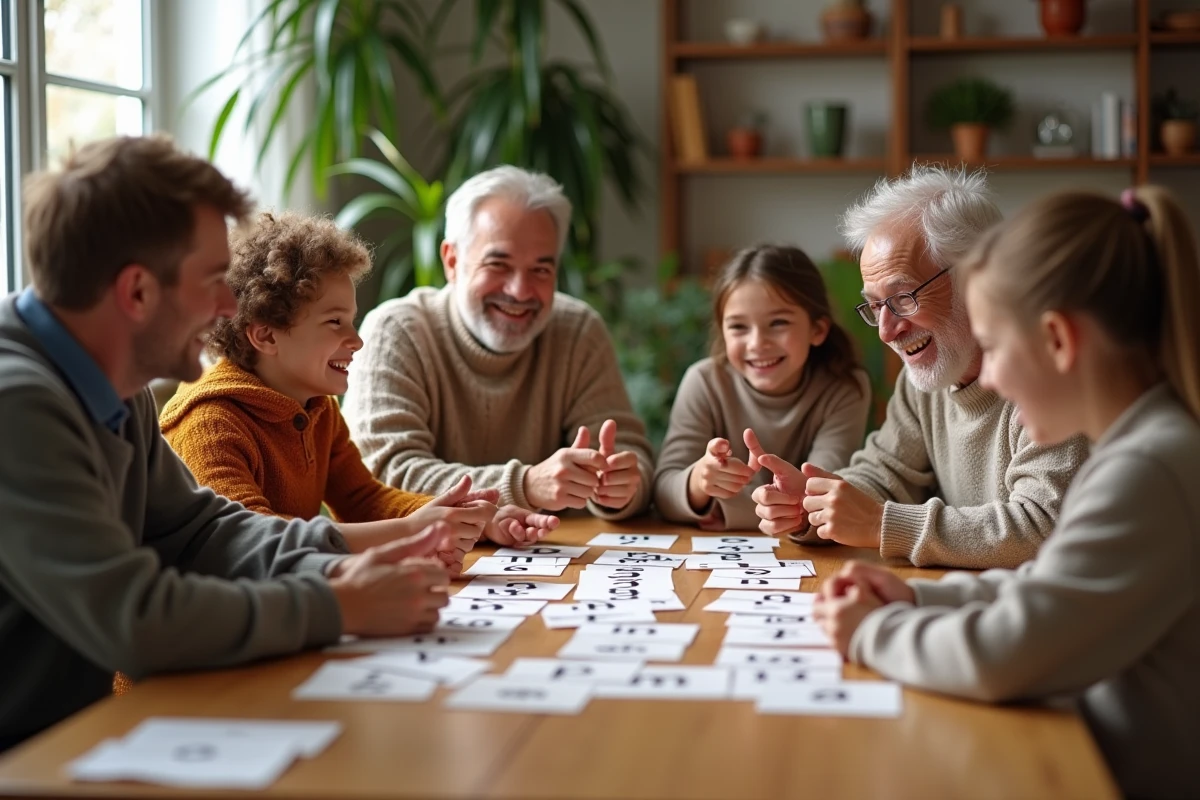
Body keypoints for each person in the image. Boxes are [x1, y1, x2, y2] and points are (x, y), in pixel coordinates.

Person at [0, 135, 449, 750]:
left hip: (69, 743)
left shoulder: (112, 379)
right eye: (214, 280)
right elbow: (134, 617)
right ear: (136, 293)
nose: (230, 305)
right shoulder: (17, 404)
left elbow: (200, 531)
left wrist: (343, 564)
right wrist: (336, 604)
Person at [813, 186, 1200, 800]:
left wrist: (870, 633)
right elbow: (1048, 589)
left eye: (993, 349)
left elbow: (1005, 655)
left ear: (1058, 342)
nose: (985, 378)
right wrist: (913, 601)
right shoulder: (1140, 447)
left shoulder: (1149, 468)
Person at [159, 211, 557, 570]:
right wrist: (413, 533)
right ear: (265, 335)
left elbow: (364, 501)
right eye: (334, 323)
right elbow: (250, 544)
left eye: (351, 321)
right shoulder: (209, 423)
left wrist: (473, 518)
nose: (357, 341)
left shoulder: (317, 407)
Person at [752, 166, 1087, 568]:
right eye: (876, 306)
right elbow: (883, 475)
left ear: (976, 277)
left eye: (903, 297)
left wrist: (881, 524)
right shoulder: (926, 378)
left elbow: (1042, 527)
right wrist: (811, 505)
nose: (887, 331)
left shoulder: (1047, 373)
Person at [342, 166, 654, 522]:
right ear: (452, 261)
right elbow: (381, 477)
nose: (520, 291)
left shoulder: (578, 331)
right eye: (498, 264)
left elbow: (633, 459)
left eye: (541, 269)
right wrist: (525, 486)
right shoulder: (396, 332)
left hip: (555, 561)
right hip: (428, 563)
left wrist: (619, 485)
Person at [654, 245, 870, 530]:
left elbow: (822, 496)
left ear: (817, 330)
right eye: (739, 327)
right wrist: (697, 481)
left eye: (778, 323)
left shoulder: (845, 388)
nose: (757, 343)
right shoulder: (704, 382)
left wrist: (723, 508)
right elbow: (663, 493)